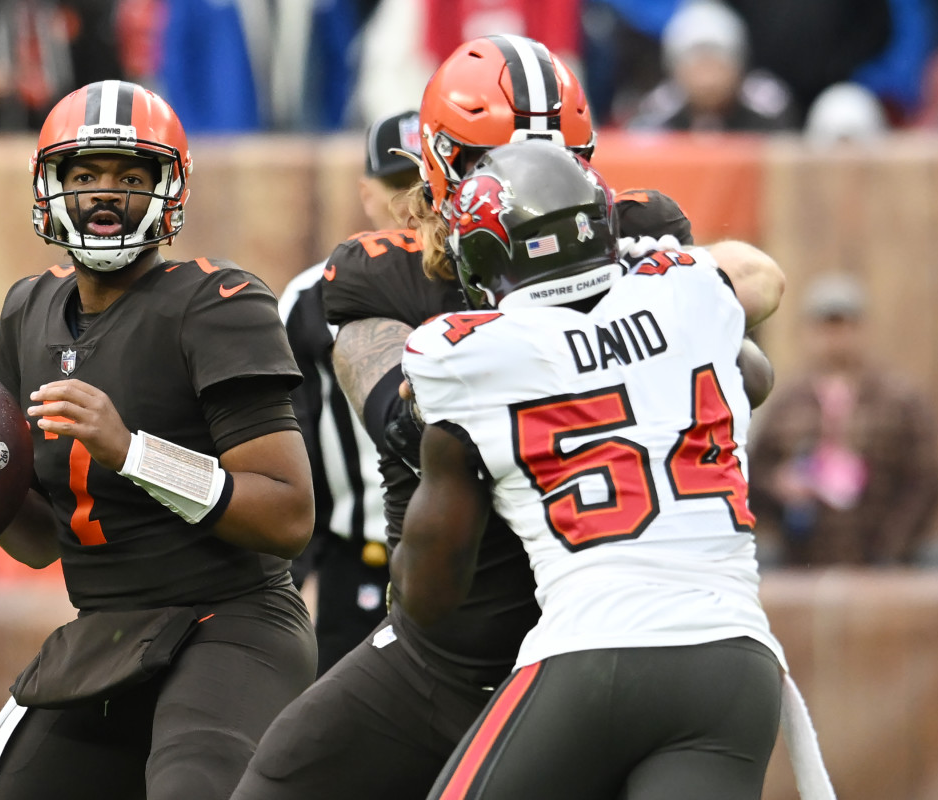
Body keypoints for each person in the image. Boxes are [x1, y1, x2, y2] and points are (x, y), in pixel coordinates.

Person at [231, 34, 730, 800]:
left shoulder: (637, 234)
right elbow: (397, 416)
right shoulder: (384, 270)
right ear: (440, 164)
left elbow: (741, 322)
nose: (523, 185)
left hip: (584, 630)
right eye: (496, 163)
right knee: (278, 776)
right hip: (443, 648)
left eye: (549, 160)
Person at [0, 80, 316, 800]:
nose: (105, 194)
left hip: (230, 623)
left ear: (169, 189)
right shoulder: (27, 308)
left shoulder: (218, 303)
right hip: (107, 633)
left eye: (131, 178)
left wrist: (134, 453)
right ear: (51, 188)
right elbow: (40, 544)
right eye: (84, 175)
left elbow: (288, 516)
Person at [393, 138, 824, 799]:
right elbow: (753, 366)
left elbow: (428, 595)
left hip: (595, 649)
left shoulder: (459, 354)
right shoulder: (688, 290)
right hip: (734, 662)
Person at [278, 109, 421, 675]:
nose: (414, 205)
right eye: (399, 186)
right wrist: (290, 576)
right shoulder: (312, 297)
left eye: (428, 185)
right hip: (360, 558)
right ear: (367, 193)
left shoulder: (487, 280)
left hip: (480, 557)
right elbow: (295, 440)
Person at [748, 273, 938, 567]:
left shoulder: (900, 399)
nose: (836, 338)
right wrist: (779, 485)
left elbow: (926, 482)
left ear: (862, 329)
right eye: (826, 327)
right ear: (808, 332)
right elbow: (754, 476)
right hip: (804, 565)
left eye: (844, 326)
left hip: (885, 566)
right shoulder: (785, 403)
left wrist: (891, 551)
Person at [627, 0, 797, 132]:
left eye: (717, 64)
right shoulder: (657, 111)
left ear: (739, 66)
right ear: (675, 70)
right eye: (696, 65)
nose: (708, 80)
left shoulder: (768, 105)